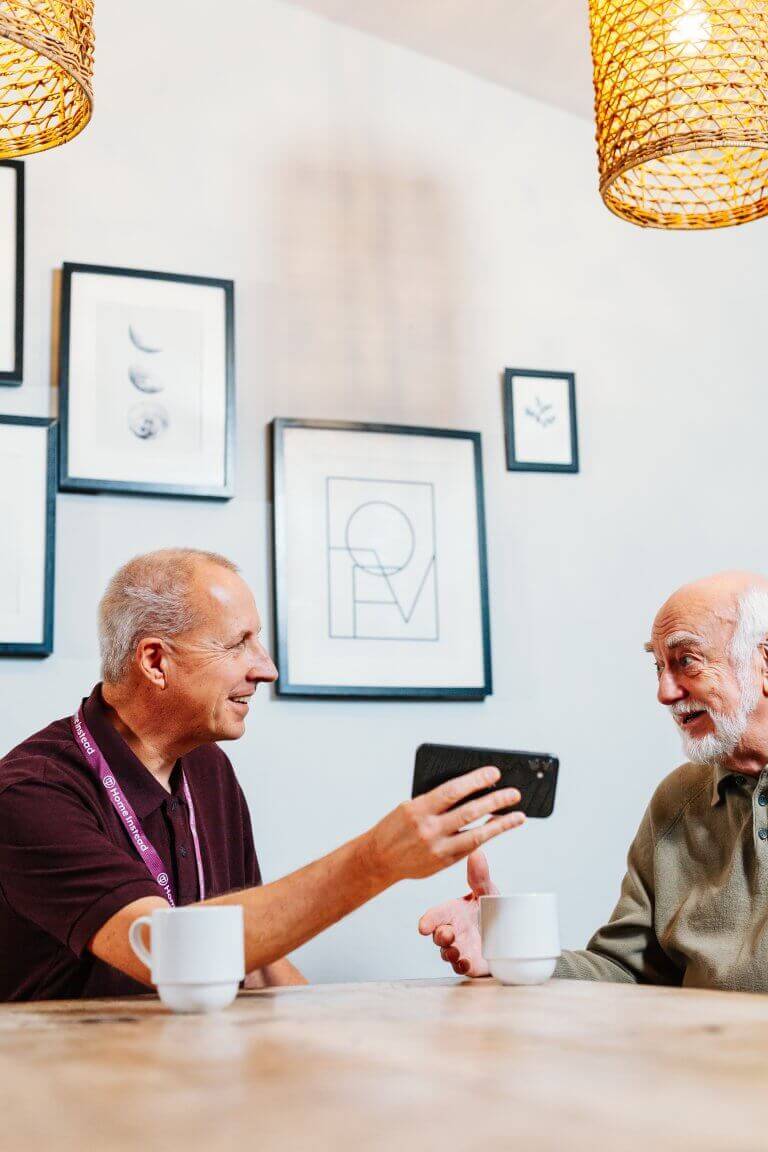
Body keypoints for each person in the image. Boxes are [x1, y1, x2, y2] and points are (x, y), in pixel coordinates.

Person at [0, 548, 525, 1002]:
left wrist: (340, 1041)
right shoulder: (31, 793)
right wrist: (379, 859)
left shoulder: (208, 767)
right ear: (155, 661)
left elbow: (253, 957)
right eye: (239, 644)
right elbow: (170, 954)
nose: (267, 668)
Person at [420, 571, 768, 992]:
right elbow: (628, 969)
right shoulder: (676, 800)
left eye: (686, 661)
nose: (664, 692)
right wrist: (508, 951)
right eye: (658, 667)